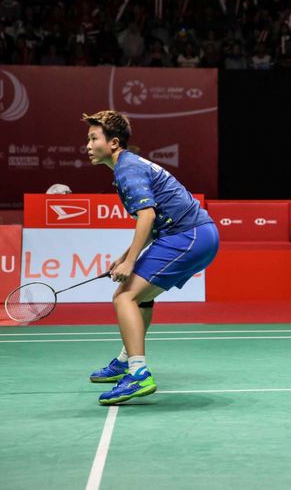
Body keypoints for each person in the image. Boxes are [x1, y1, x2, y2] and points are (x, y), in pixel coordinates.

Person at [83, 110, 219, 405]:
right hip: (194, 235)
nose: (88, 145)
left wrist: (130, 262)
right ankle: (124, 361)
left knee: (123, 297)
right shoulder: (129, 165)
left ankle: (138, 373)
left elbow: (147, 215)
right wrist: (124, 256)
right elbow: (153, 222)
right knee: (140, 298)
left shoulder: (126, 169)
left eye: (94, 138)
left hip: (189, 235)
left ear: (114, 142)